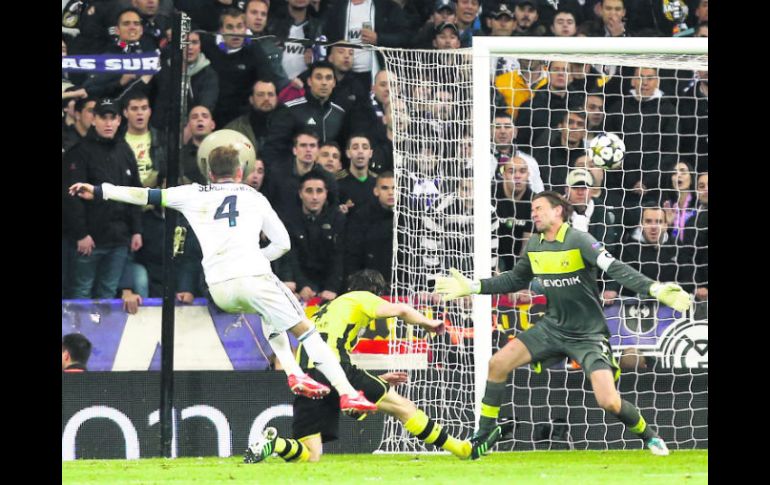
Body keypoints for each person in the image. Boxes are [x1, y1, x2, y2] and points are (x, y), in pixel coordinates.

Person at [68, 145, 377, 414]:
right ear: (240, 173)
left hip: (219, 288)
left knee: (268, 311)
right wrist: (258, 257)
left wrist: (99, 190)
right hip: (252, 276)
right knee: (306, 331)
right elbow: (282, 243)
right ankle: (347, 392)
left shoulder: (192, 193)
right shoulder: (254, 197)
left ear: (210, 174)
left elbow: (143, 194)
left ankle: (294, 372)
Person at [435, 191, 692, 457]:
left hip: (588, 334)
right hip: (552, 328)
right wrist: (474, 286)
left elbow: (615, 267)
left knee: (609, 401)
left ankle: (649, 436)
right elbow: (515, 279)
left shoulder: (579, 240)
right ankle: (484, 434)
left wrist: (654, 288)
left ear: (558, 211)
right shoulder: (535, 244)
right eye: (532, 209)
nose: (534, 213)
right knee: (497, 363)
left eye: (539, 208)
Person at [243, 270, 498, 463]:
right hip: (335, 368)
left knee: (311, 454)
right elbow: (400, 310)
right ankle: (463, 449)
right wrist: (428, 323)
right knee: (403, 408)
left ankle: (274, 444)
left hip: (309, 377)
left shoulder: (323, 310)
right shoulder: (360, 298)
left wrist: (376, 380)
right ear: (374, 291)